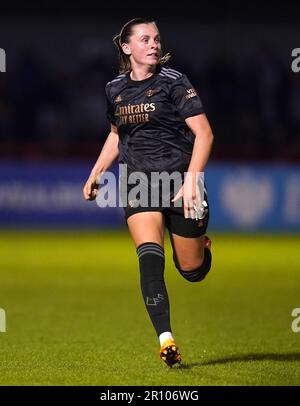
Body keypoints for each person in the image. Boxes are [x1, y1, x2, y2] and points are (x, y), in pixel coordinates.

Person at [83, 17, 214, 367]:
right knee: (149, 259)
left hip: (180, 184)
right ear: (127, 48)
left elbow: (204, 134)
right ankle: (166, 339)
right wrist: (97, 172)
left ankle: (201, 245)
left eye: (156, 38)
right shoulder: (114, 89)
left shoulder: (174, 82)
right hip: (139, 184)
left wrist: (191, 178)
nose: (154, 44)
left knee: (192, 271)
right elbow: (116, 135)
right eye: (145, 39)